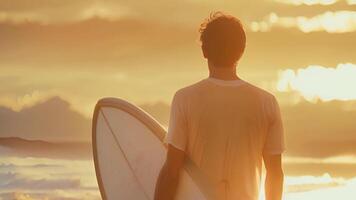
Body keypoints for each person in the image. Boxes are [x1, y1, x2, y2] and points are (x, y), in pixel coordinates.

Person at [154, 11, 285, 200]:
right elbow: (275, 175)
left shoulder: (185, 98)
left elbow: (171, 172)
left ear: (204, 51)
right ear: (241, 51)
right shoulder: (267, 103)